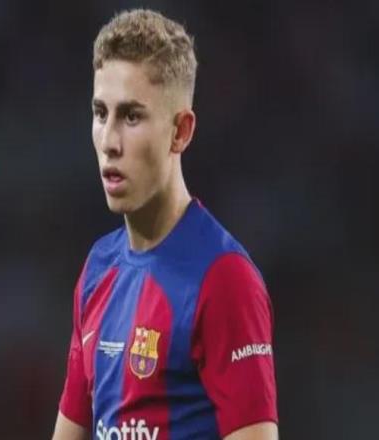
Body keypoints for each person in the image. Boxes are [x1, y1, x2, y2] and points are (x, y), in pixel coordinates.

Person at [52, 9, 278, 440]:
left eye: (131, 116)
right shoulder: (98, 269)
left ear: (181, 132)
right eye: (100, 113)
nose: (109, 141)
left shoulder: (224, 278)